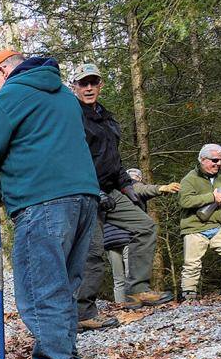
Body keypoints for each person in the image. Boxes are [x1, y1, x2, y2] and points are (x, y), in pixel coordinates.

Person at [0, 49, 100, 359]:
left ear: (2, 72)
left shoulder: (10, 97)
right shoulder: (65, 96)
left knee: (41, 293)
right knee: (63, 289)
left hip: (41, 203)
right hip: (84, 199)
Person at [70, 64, 172, 331]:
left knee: (145, 227)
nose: (89, 88)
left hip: (111, 188)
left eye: (93, 82)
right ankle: (82, 313)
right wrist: (95, 191)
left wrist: (127, 187)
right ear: (74, 87)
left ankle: (137, 290)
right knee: (92, 252)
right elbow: (70, 159)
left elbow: (113, 160)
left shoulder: (107, 118)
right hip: (85, 192)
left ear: (100, 85)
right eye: (83, 83)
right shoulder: (71, 116)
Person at [177, 144, 221, 299]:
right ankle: (188, 295)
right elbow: (185, 201)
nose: (219, 163)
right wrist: (212, 197)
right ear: (202, 159)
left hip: (217, 227)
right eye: (214, 160)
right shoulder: (189, 179)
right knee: (192, 264)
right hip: (194, 228)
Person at [105, 169, 181, 304]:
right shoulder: (128, 186)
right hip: (127, 237)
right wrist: (161, 188)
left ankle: (121, 305)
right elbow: (142, 189)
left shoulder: (108, 188)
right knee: (131, 275)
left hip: (110, 240)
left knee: (118, 279)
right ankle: (132, 302)